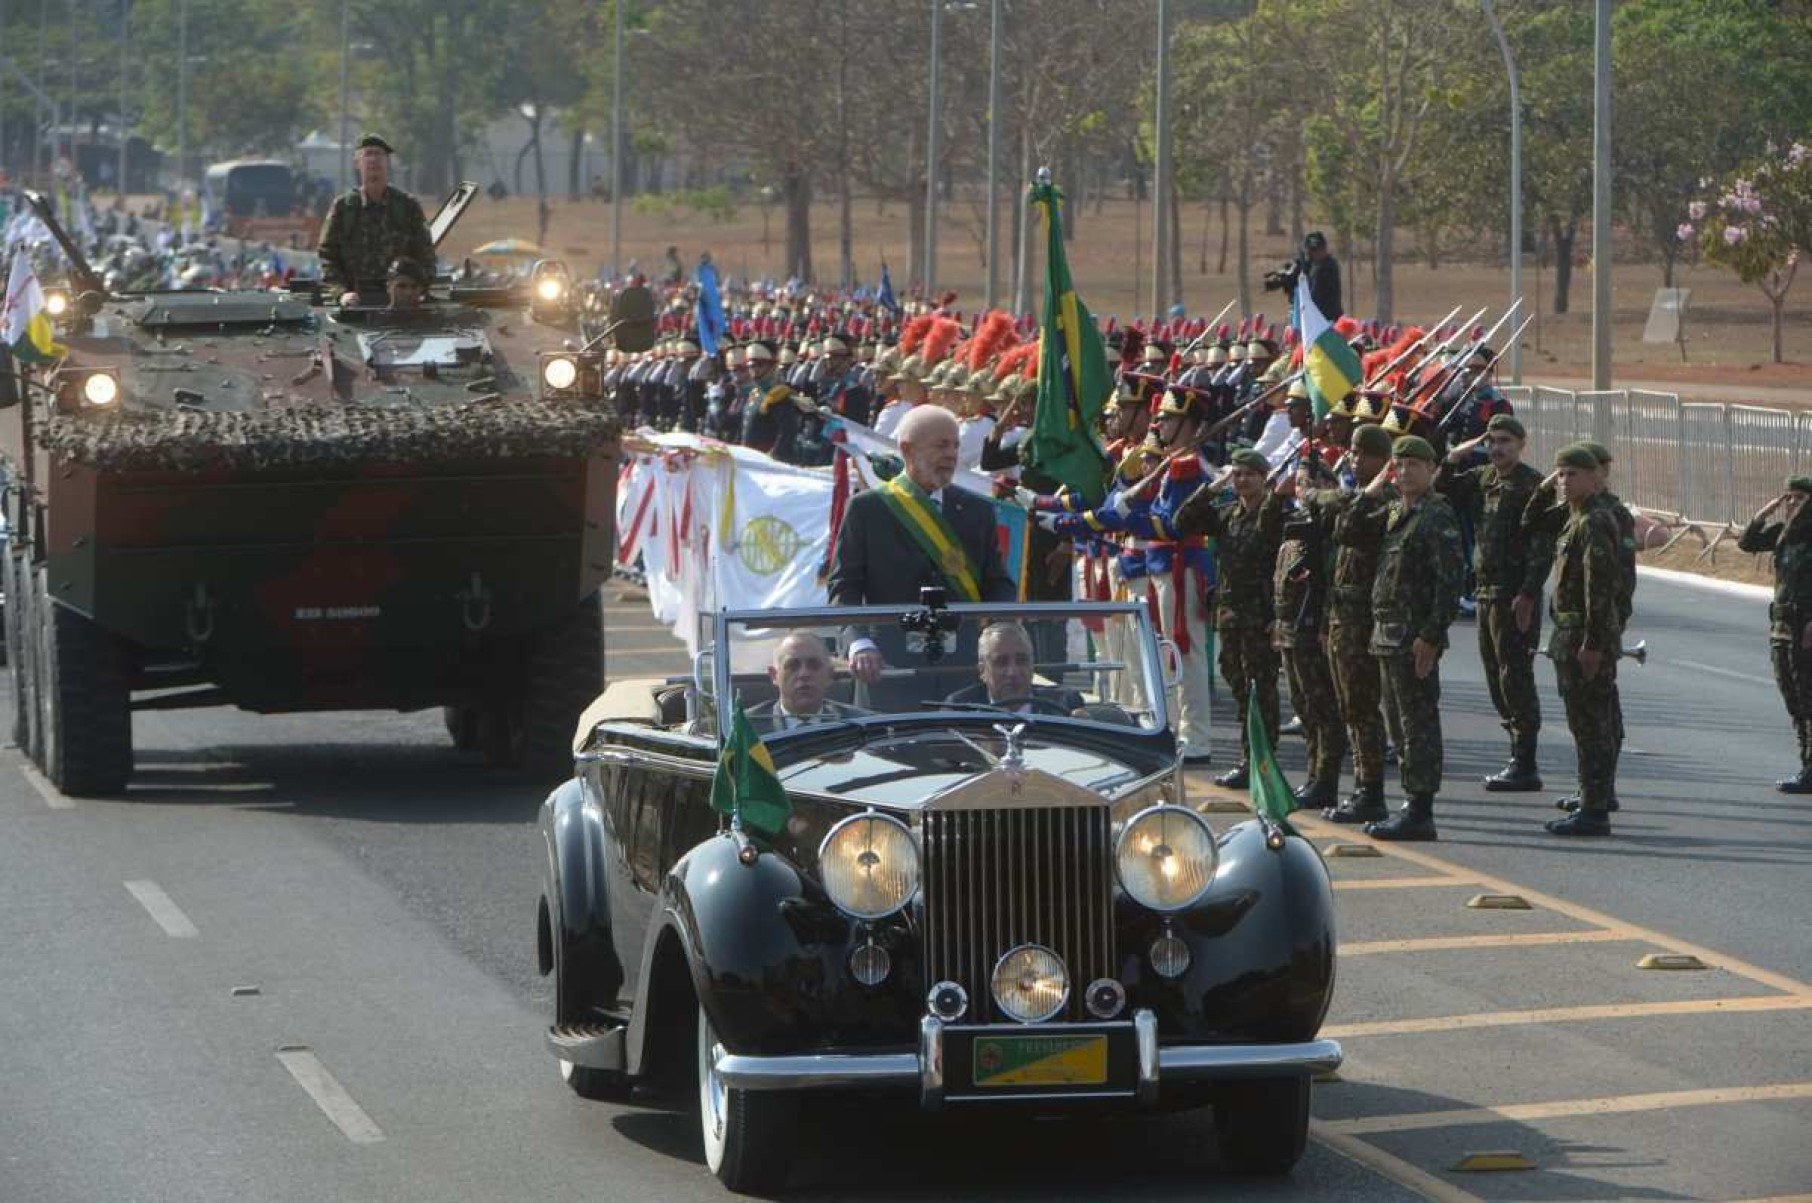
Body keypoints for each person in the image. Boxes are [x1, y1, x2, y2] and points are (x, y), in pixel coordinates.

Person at [829, 405, 1016, 701]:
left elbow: (997, 583)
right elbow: (844, 586)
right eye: (941, 445)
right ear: (908, 450)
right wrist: (858, 643)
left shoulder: (977, 510)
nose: (952, 454)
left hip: (963, 672)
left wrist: (1002, 632)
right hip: (888, 670)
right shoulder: (868, 509)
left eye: (955, 445)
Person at [1354, 435, 1463, 841]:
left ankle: (1421, 809)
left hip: (1414, 639)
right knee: (1399, 727)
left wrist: (1432, 636)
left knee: (1417, 724)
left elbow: (1450, 582)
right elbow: (1348, 531)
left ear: (1432, 470)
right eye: (1398, 466)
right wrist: (1372, 490)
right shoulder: (1394, 513)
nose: (1404, 472)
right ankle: (1411, 803)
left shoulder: (1437, 516)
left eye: (1414, 465)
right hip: (1386, 635)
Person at [1436, 413, 1550, 791]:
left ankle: (1525, 761)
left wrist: (1529, 593)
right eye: (1493, 440)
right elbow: (1444, 490)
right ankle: (1515, 753)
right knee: (1494, 675)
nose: (1497, 448)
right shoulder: (1483, 478)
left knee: (1515, 675)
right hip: (1485, 592)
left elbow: (1541, 546)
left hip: (1514, 594)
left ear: (1521, 445)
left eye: (1505, 441)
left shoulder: (1531, 485)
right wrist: (1456, 455)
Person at [1166, 445, 1286, 786]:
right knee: (1239, 687)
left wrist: (1279, 615)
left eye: (1250, 474)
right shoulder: (1228, 514)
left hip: (1262, 616)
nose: (1243, 480)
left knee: (1261, 690)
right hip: (1232, 616)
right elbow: (1181, 522)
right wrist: (1214, 486)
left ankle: (1262, 762)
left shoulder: (1274, 513)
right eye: (1238, 474)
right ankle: (1250, 760)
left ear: (1264, 478)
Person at [1299, 422, 1397, 822]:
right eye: (1352, 452)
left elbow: (1346, 524)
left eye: (1361, 453)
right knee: (1346, 706)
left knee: (1362, 708)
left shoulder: (1381, 499)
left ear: (1380, 459)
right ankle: (1351, 784)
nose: (1353, 459)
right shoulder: (1356, 494)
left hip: (1363, 617)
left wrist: (1327, 494)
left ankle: (1369, 789)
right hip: (1341, 614)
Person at [1542, 443, 1627, 837]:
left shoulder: (1594, 521)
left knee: (1592, 725)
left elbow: (1600, 587)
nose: (1564, 481)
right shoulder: (1574, 518)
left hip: (1582, 640)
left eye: (1573, 474)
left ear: (1595, 477)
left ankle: (1595, 810)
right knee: (1584, 724)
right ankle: (1590, 798)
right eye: (1560, 474)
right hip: (1570, 636)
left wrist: (1593, 644)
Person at [1739, 478, 1812, 790]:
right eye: (1789, 498)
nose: (1793, 504)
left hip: (1806, 627)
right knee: (1793, 697)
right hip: (1782, 627)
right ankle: (1806, 763)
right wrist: (1764, 512)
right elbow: (1747, 542)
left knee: (1808, 698)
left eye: (1800, 499)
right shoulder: (1785, 533)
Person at [317, 133, 434, 307]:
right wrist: (340, 293)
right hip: (355, 304)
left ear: (387, 162)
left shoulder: (407, 206)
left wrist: (419, 289)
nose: (374, 159)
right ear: (358, 163)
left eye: (379, 154)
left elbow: (425, 255)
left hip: (401, 303)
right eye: (368, 154)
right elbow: (328, 256)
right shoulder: (344, 207)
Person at [944, 622, 1086, 714]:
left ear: (1032, 664)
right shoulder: (960, 708)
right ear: (982, 671)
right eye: (1001, 662)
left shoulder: (1064, 704)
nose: (1013, 672)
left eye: (1021, 660)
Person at [745, 632, 864, 732]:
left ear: (830, 675)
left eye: (814, 665)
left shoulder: (861, 725)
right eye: (792, 665)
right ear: (774, 675)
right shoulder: (744, 728)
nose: (804, 674)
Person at [1263, 230, 1342, 320]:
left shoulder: (1326, 267)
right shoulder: (1314, 266)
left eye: (1318, 249)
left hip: (1325, 320)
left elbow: (1314, 297)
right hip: (1318, 319)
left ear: (1324, 248)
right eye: (1312, 251)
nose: (1315, 253)